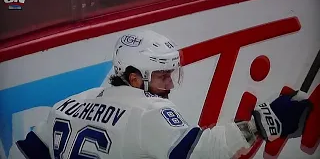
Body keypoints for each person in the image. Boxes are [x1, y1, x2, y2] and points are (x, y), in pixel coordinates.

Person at [8, 30, 312, 159]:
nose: (169, 84)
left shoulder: (66, 104)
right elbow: (203, 152)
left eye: (172, 74)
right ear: (134, 77)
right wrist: (261, 125)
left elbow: (20, 154)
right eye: (162, 76)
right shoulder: (147, 112)